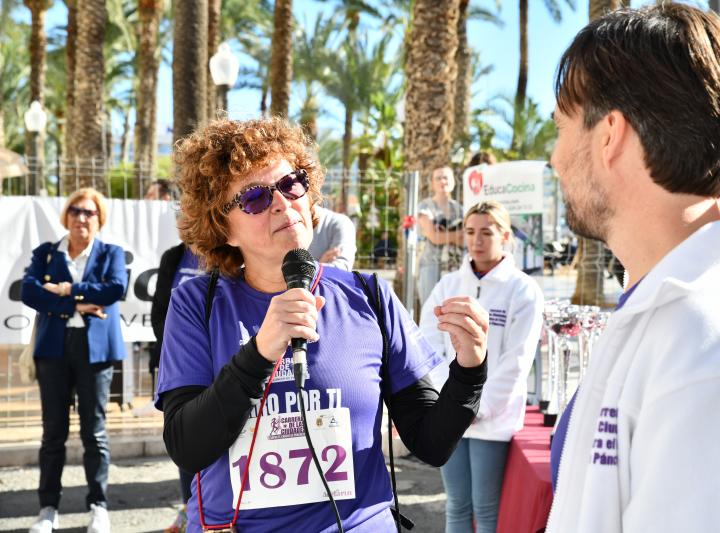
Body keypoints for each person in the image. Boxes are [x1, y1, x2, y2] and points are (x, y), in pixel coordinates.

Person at [154, 117, 490, 532]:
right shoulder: (196, 303)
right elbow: (187, 446)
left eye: (291, 184)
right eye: (255, 198)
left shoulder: (369, 295)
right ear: (222, 227)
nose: (281, 203)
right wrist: (259, 352)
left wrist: (470, 370)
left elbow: (431, 444)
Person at [546, 5, 720, 533]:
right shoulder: (676, 302)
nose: (554, 157)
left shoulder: (711, 346)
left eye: (561, 127)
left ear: (609, 135)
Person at [420, 200, 544, 532]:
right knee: (457, 505)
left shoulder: (523, 290)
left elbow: (517, 360)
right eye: (471, 231)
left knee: (487, 509)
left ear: (505, 236)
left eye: (487, 232)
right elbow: (428, 346)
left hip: (495, 419)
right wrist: (453, 401)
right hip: (452, 413)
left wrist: (481, 406)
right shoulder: (447, 286)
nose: (476, 240)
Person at [21, 187, 127, 533]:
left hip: (95, 352)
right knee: (53, 432)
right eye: (76, 211)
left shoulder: (110, 252)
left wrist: (66, 290)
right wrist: (79, 304)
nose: (82, 217)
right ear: (66, 216)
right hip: (53, 349)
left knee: (94, 432)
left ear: (99, 220)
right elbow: (29, 292)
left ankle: (98, 506)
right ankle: (48, 509)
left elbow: (115, 289)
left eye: (90, 212)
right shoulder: (47, 254)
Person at [150, 242, 204, 533]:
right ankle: (189, 509)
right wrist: (179, 344)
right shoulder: (173, 256)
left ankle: (211, 511)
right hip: (180, 362)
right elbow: (159, 310)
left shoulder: (227, 251)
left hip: (218, 363)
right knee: (186, 438)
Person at [416, 166, 464, 308]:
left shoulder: (460, 209)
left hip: (455, 265)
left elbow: (465, 240)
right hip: (431, 264)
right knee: (431, 309)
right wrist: (457, 234)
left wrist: (443, 234)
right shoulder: (425, 206)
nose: (443, 181)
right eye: (438, 178)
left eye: (446, 177)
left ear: (453, 182)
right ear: (432, 183)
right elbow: (434, 237)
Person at [307, 205, 357, 270]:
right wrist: (320, 268)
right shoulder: (291, 225)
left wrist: (318, 270)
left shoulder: (340, 223)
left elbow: (341, 271)